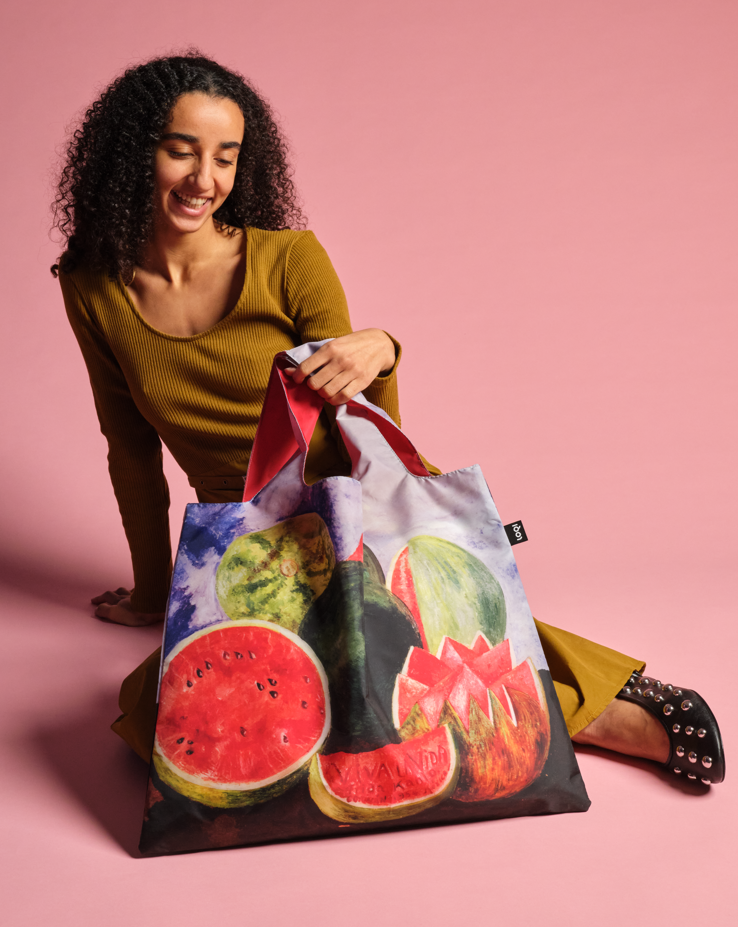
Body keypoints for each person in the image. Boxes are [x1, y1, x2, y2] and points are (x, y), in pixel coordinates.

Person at [53, 52, 723, 784]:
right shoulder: (93, 288)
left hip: (348, 504)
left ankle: (590, 713)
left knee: (377, 637)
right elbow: (129, 450)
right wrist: (154, 591)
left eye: (225, 156)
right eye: (180, 148)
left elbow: (356, 415)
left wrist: (381, 349)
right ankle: (579, 691)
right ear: (133, 150)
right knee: (148, 717)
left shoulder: (289, 259)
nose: (203, 180)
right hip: (247, 545)